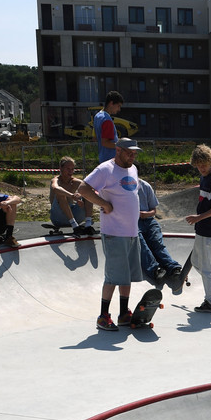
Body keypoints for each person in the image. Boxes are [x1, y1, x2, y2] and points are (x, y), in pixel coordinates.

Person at [78, 137, 144, 331]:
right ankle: (103, 316)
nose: (132, 156)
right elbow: (83, 188)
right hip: (114, 232)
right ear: (118, 150)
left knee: (127, 276)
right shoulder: (106, 169)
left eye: (134, 153)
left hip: (132, 232)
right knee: (114, 276)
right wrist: (104, 204)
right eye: (129, 152)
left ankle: (124, 313)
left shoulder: (133, 169)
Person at [184, 144, 211, 314]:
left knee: (205, 266)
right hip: (202, 229)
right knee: (196, 262)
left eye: (204, 164)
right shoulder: (204, 179)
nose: (201, 168)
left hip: (209, 230)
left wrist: (199, 218)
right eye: (198, 165)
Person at [137, 179, 183, 289]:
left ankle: (172, 267)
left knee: (157, 243)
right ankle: (154, 270)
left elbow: (154, 210)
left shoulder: (145, 186)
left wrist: (145, 214)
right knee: (141, 244)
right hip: (132, 222)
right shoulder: (121, 187)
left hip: (148, 220)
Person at [49, 156, 95, 235]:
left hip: (75, 216)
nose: (70, 172)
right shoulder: (55, 180)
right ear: (61, 168)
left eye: (72, 169)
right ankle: (74, 226)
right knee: (60, 193)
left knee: (87, 192)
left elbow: (91, 189)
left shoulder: (75, 181)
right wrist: (72, 195)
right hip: (58, 217)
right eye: (68, 169)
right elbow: (56, 188)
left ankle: (88, 224)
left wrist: (80, 195)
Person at [93, 91, 124, 164]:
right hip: (111, 160)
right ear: (111, 103)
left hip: (103, 157)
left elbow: (96, 138)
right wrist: (122, 146)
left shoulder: (97, 116)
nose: (119, 109)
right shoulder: (107, 120)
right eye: (118, 106)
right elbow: (105, 143)